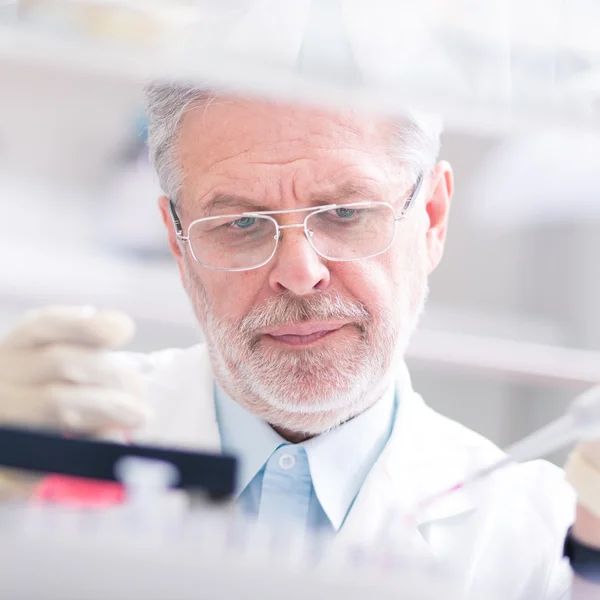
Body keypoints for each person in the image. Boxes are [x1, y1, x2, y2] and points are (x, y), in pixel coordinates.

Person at [0, 84, 599, 599]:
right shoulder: (57, 438)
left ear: (433, 218)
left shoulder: (543, 540)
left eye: (344, 212)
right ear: (179, 245)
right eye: (241, 223)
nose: (299, 271)